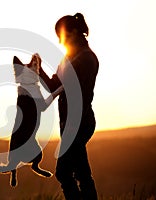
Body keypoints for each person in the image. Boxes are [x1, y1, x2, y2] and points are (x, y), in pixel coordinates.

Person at [39, 13, 99, 200]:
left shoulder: (87, 59)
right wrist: (38, 69)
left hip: (80, 122)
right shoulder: (69, 58)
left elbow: (71, 88)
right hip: (70, 124)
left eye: (61, 36)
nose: (59, 41)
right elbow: (53, 87)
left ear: (74, 32)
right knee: (79, 174)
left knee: (65, 172)